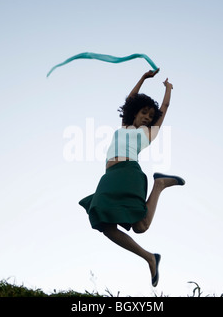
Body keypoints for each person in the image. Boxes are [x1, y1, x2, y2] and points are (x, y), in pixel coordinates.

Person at [79, 68, 185, 287]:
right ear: (135, 112)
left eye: (150, 115)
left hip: (129, 173)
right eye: (143, 112)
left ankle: (159, 185)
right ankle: (149, 257)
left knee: (141, 226)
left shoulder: (148, 133)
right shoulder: (125, 126)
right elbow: (130, 99)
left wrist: (168, 90)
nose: (147, 117)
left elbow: (163, 109)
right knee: (104, 225)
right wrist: (143, 78)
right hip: (109, 176)